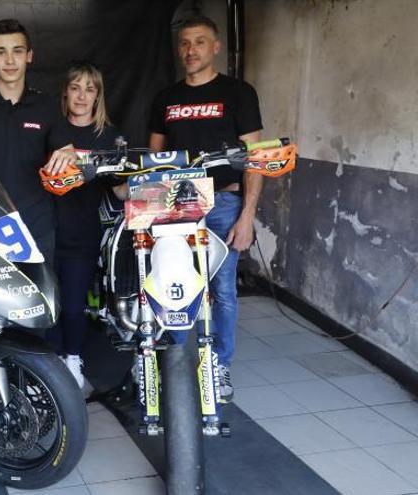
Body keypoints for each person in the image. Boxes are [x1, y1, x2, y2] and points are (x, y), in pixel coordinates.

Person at [148, 15, 263, 402]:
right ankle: (180, 364)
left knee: (223, 289)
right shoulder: (165, 97)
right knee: (173, 284)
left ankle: (219, 366)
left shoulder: (239, 93)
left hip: (224, 203)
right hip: (175, 205)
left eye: (199, 42)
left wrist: (247, 217)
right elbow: (153, 159)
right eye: (184, 43)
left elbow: (255, 158)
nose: (190, 50)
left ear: (215, 47)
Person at [0, 19, 75, 260]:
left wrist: (68, 156)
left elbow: (69, 153)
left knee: (42, 297)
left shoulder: (46, 106)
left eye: (17, 51)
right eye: (1, 52)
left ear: (29, 55)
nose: (9, 61)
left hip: (38, 225)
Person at [48, 62, 122, 388]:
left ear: (98, 95)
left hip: (82, 233)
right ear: (65, 91)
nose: (81, 95)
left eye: (89, 89)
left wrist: (139, 183)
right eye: (75, 87)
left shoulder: (109, 136)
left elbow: (119, 189)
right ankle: (48, 367)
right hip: (46, 230)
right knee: (48, 306)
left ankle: (73, 360)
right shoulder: (51, 128)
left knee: (75, 308)